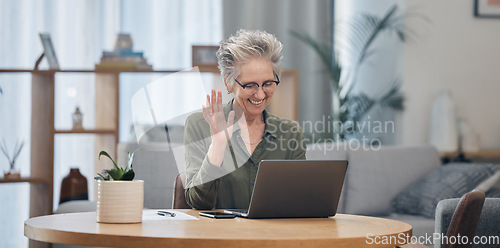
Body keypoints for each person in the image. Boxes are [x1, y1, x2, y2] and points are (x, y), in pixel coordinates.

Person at [184, 29, 306, 210]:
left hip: (276, 236)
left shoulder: (291, 133)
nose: (260, 94)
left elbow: (300, 201)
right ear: (228, 82)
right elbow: (199, 203)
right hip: (220, 236)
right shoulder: (198, 125)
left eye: (268, 83)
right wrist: (217, 145)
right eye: (250, 85)